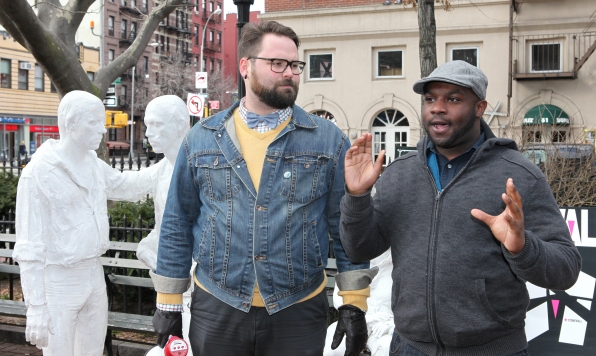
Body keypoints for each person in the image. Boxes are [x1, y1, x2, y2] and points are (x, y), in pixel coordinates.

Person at [150, 21, 376, 356]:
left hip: (298, 309)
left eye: (295, 65)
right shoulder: (202, 139)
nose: (290, 73)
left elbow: (345, 228)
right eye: (278, 64)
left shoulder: (328, 140)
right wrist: (168, 304)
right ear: (245, 66)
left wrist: (354, 303)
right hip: (217, 307)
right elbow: (177, 223)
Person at [339, 60, 582, 356]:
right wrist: (357, 196)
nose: (437, 108)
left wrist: (522, 247)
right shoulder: (400, 174)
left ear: (480, 107)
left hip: (493, 350)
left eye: (452, 99)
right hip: (409, 348)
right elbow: (360, 249)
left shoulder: (518, 175)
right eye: (430, 99)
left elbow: (566, 269)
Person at [13, 90, 155, 355]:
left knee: (92, 351)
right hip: (58, 281)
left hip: (93, 274)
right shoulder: (38, 173)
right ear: (72, 123)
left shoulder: (92, 163)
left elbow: (127, 185)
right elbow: (29, 246)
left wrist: (169, 163)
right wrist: (36, 308)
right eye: (94, 122)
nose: (102, 129)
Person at [131, 96, 195, 355]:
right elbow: (122, 184)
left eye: (156, 125)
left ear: (180, 124)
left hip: (197, 288)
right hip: (171, 287)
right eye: (147, 125)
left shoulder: (197, 166)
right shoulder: (162, 169)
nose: (148, 134)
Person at [324, 248, 394, 356]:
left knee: (386, 347)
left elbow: (410, 303)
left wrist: (393, 323)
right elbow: (339, 299)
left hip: (382, 327)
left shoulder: (401, 264)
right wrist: (366, 319)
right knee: (332, 348)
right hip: (353, 319)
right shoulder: (352, 261)